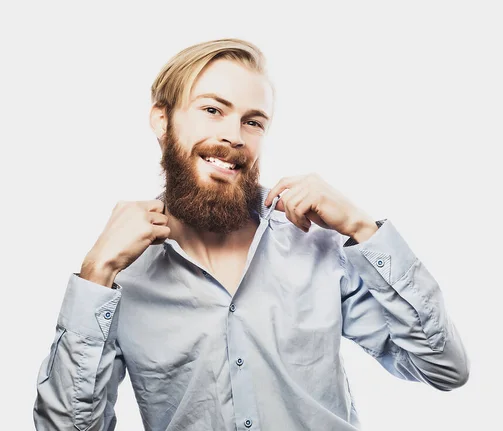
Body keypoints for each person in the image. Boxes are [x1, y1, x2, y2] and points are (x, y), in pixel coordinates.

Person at [33, 38, 469, 431]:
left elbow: (443, 368)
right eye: (212, 110)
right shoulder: (120, 279)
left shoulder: (315, 245)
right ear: (161, 121)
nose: (232, 136)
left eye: (253, 122)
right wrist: (95, 275)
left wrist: (362, 228)